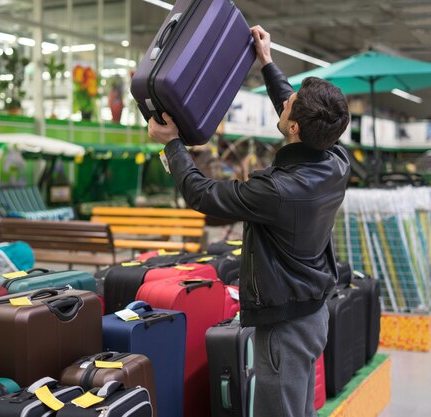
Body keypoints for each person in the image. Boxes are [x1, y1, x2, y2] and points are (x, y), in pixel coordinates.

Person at [148, 25, 350, 417]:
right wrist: (267, 63)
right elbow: (299, 115)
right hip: (313, 313)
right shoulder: (335, 160)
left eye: (291, 104)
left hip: (285, 329)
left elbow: (201, 194)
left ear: (293, 128)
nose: (286, 101)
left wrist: (171, 143)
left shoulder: (278, 191)